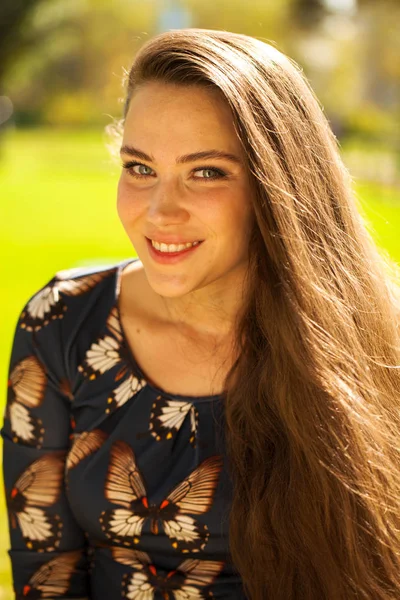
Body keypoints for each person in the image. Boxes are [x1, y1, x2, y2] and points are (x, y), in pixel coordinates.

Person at [2, 28, 400, 600]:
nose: (161, 212)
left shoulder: (370, 338)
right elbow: (46, 573)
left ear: (277, 186)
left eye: (206, 171)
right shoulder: (61, 322)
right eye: (140, 168)